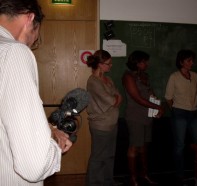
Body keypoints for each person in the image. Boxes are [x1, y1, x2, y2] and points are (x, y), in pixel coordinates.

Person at [0, 0, 73, 186]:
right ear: (30, 18)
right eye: (35, 36)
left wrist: (49, 129)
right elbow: (34, 166)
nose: (32, 43)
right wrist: (55, 146)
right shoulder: (14, 52)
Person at [122, 50, 164, 186]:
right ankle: (133, 179)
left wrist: (156, 103)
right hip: (135, 116)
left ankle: (144, 175)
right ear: (137, 63)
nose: (147, 64)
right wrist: (158, 107)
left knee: (144, 147)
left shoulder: (145, 76)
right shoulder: (128, 76)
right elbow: (137, 98)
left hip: (147, 116)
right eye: (144, 61)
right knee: (134, 147)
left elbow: (150, 94)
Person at [164, 49, 197, 184]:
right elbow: (168, 98)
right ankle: (180, 176)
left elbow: (196, 93)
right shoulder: (174, 77)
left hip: (194, 113)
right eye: (188, 60)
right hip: (179, 113)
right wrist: (175, 111)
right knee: (180, 145)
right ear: (181, 62)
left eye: (192, 60)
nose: (191, 63)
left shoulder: (196, 76)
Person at [86, 49, 123, 186]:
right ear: (100, 64)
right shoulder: (93, 82)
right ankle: (94, 183)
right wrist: (116, 99)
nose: (111, 66)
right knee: (98, 157)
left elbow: (119, 96)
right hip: (100, 125)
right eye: (108, 63)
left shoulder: (109, 79)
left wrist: (116, 99)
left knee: (109, 156)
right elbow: (113, 100)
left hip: (112, 123)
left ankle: (108, 181)